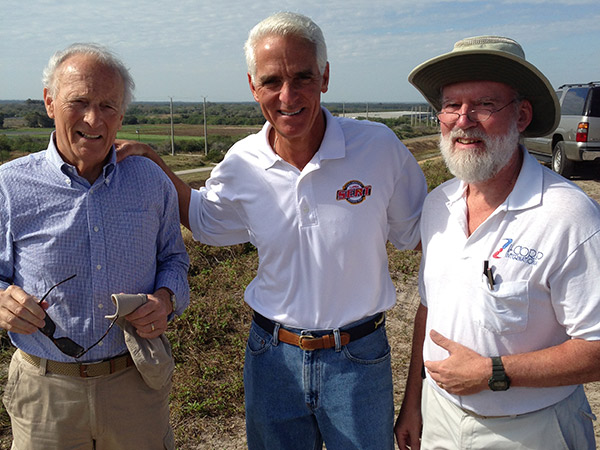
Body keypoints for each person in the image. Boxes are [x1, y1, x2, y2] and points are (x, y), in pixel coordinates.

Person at [117, 11, 427, 450]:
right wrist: (155, 161)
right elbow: (205, 221)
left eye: (302, 77)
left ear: (325, 76)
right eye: (271, 82)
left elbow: (420, 236)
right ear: (251, 86)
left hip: (358, 359)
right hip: (272, 359)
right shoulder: (243, 161)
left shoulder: (378, 148)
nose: (287, 95)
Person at [394, 35, 600, 450]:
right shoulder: (438, 205)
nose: (463, 120)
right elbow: (429, 308)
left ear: (522, 115)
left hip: (530, 430)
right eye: (451, 105)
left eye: (485, 105)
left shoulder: (568, 216)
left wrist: (494, 371)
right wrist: (412, 403)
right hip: (438, 417)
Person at [0, 43, 190, 449]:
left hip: (134, 385)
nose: (93, 118)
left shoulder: (150, 181)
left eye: (107, 105)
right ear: (50, 102)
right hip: (45, 394)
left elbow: (174, 259)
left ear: (122, 114)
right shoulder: (9, 185)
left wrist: (166, 298)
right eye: (79, 102)